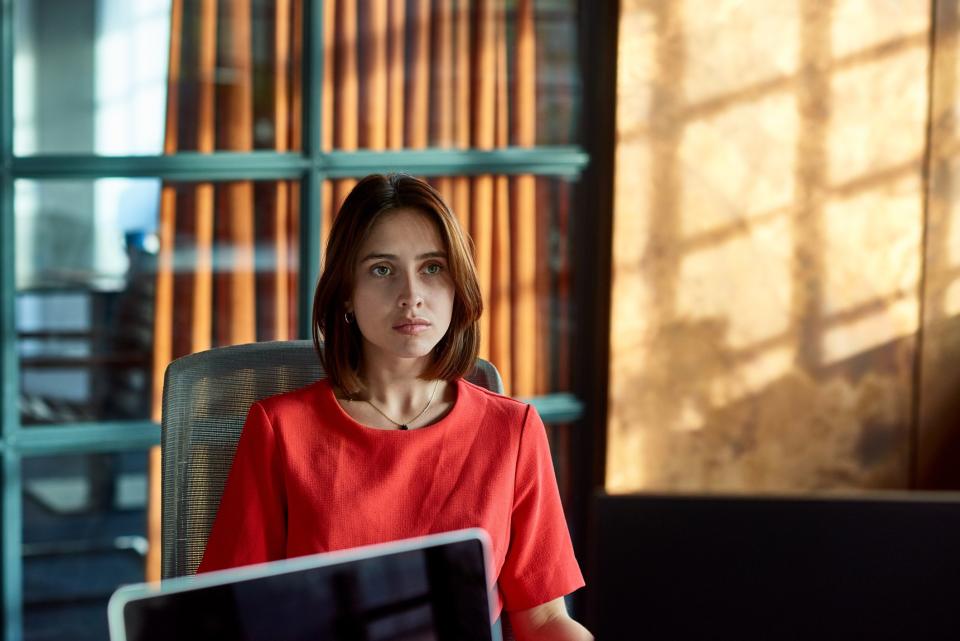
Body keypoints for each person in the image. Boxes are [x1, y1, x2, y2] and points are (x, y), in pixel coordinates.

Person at [198, 174, 592, 640]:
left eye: (432, 268)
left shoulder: (512, 430)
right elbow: (223, 617)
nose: (411, 295)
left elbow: (544, 618)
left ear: (457, 286)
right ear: (346, 290)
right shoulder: (281, 429)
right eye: (382, 269)